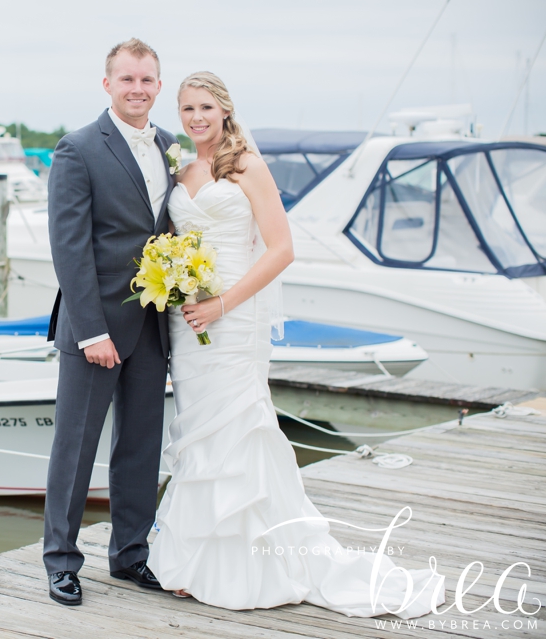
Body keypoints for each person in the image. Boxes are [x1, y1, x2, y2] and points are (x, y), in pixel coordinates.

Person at [146, 71, 445, 618]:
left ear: (225, 111)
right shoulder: (183, 169)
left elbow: (281, 250)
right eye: (187, 109)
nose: (195, 118)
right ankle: (195, 560)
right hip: (187, 321)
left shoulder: (249, 168)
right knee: (197, 433)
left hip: (233, 319)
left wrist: (222, 303)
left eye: (205, 107)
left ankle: (253, 563)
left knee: (238, 427)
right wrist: (178, 280)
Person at [44, 38, 177, 606]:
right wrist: (92, 330)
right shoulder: (77, 149)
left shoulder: (172, 147)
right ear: (108, 85)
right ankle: (60, 561)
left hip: (153, 324)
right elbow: (69, 248)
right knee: (75, 447)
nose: (138, 89)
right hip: (94, 326)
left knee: (142, 447)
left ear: (158, 85)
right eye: (127, 80)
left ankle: (130, 556)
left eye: (147, 80)